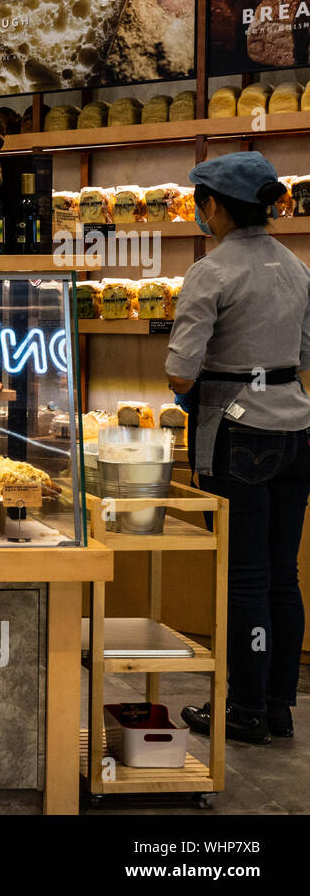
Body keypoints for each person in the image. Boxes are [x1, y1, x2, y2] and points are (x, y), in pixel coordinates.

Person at [165, 150, 310, 745]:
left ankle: (245, 709)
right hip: (297, 430)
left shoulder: (212, 271)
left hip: (239, 433)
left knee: (245, 579)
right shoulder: (296, 267)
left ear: (216, 206)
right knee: (283, 577)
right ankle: (278, 706)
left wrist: (214, 378)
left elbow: (179, 372)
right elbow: (303, 356)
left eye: (202, 200)